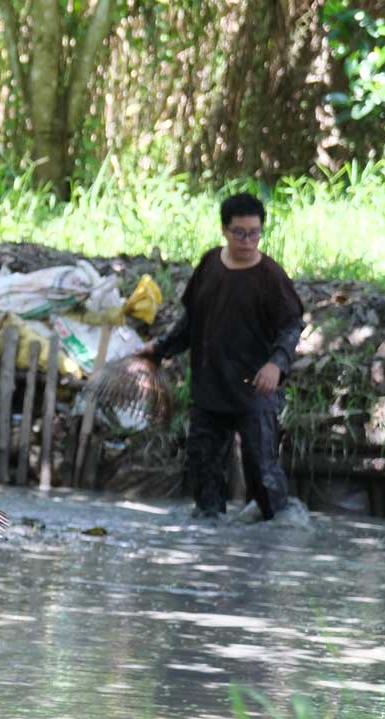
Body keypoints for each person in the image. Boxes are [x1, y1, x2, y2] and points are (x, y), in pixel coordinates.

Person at [140, 192, 303, 521]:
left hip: (256, 388)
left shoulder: (271, 276)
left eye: (255, 233)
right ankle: (210, 545)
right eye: (240, 233)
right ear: (224, 231)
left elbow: (292, 326)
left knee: (263, 472)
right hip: (210, 387)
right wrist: (159, 350)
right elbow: (191, 323)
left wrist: (276, 364)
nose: (248, 241)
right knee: (204, 472)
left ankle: (279, 534)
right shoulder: (210, 265)